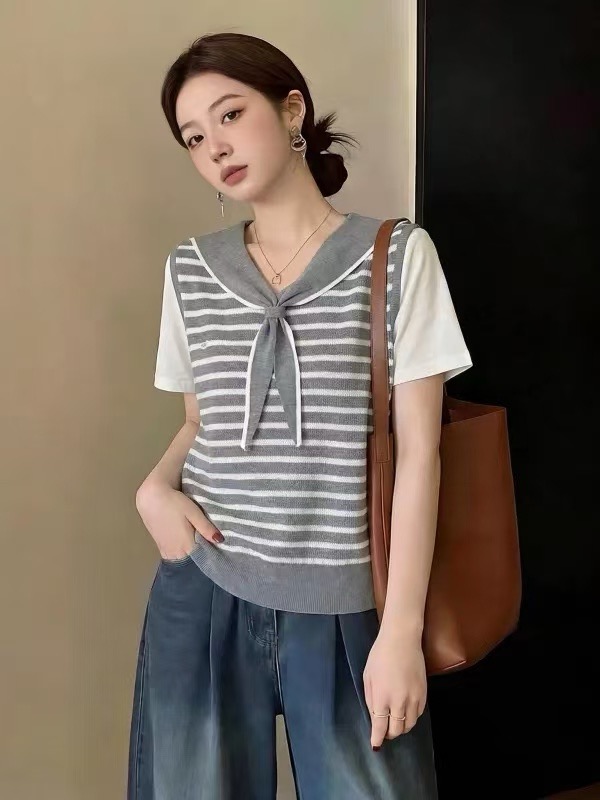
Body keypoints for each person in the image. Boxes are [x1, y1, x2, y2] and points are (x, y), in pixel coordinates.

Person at [127, 31, 472, 800]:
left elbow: (421, 455)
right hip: (204, 590)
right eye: (193, 137)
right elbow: (200, 421)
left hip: (347, 608)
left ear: (292, 112)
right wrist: (153, 489)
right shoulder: (190, 270)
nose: (215, 147)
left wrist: (402, 631)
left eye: (229, 115)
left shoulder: (397, 256)